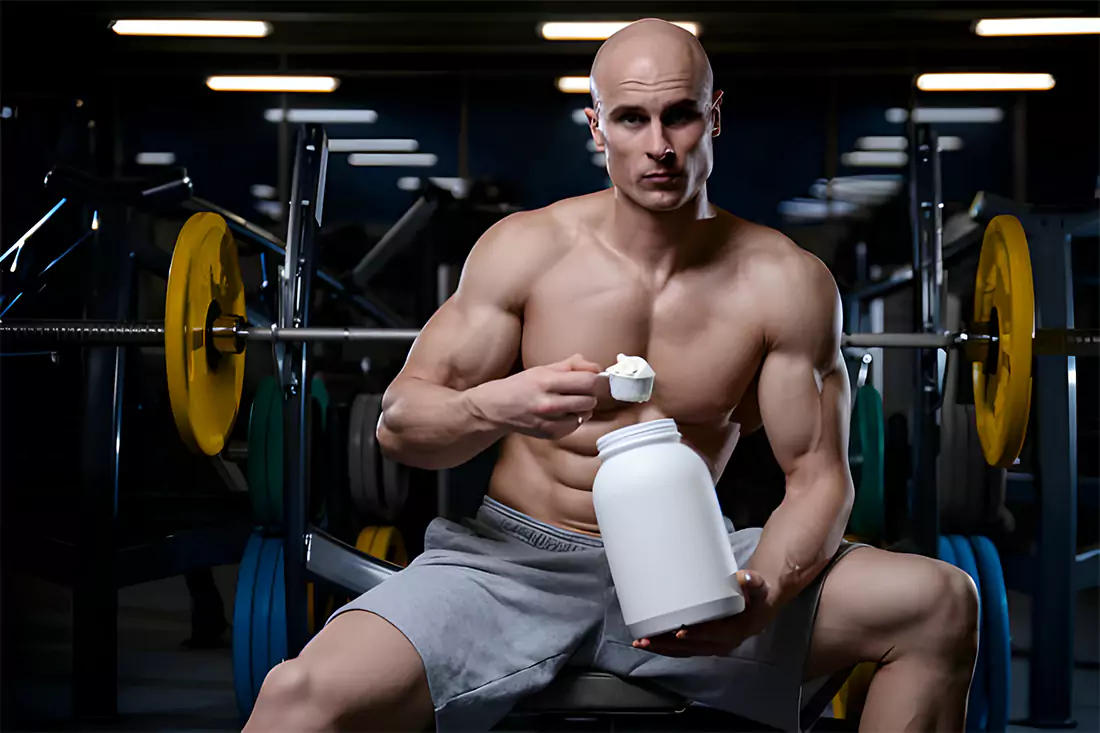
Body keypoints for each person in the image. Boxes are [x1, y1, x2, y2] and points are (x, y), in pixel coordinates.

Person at [243, 18, 979, 733]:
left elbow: (819, 477)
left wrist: (762, 596)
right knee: (299, 695)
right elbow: (400, 425)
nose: (658, 146)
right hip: (512, 568)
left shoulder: (785, 282)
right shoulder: (527, 249)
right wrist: (501, 403)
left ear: (713, 117)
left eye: (680, 116)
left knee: (939, 600)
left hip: (691, 564)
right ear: (597, 129)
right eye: (630, 119)